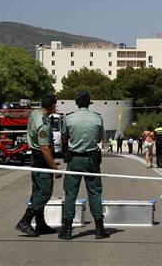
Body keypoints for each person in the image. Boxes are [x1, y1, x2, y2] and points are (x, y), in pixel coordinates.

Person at [59, 91, 109, 240]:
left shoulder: (69, 118)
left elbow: (64, 137)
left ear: (77, 103)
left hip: (74, 159)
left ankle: (67, 230)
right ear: (89, 102)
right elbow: (100, 138)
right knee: (94, 192)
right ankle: (99, 229)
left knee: (70, 194)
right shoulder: (97, 118)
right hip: (92, 160)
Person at [16, 93, 62, 237]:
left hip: (36, 158)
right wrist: (54, 167)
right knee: (45, 192)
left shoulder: (34, 114)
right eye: (55, 104)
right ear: (52, 105)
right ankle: (25, 221)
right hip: (41, 159)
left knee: (37, 192)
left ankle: (40, 224)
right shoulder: (43, 124)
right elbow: (44, 148)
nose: (56, 106)